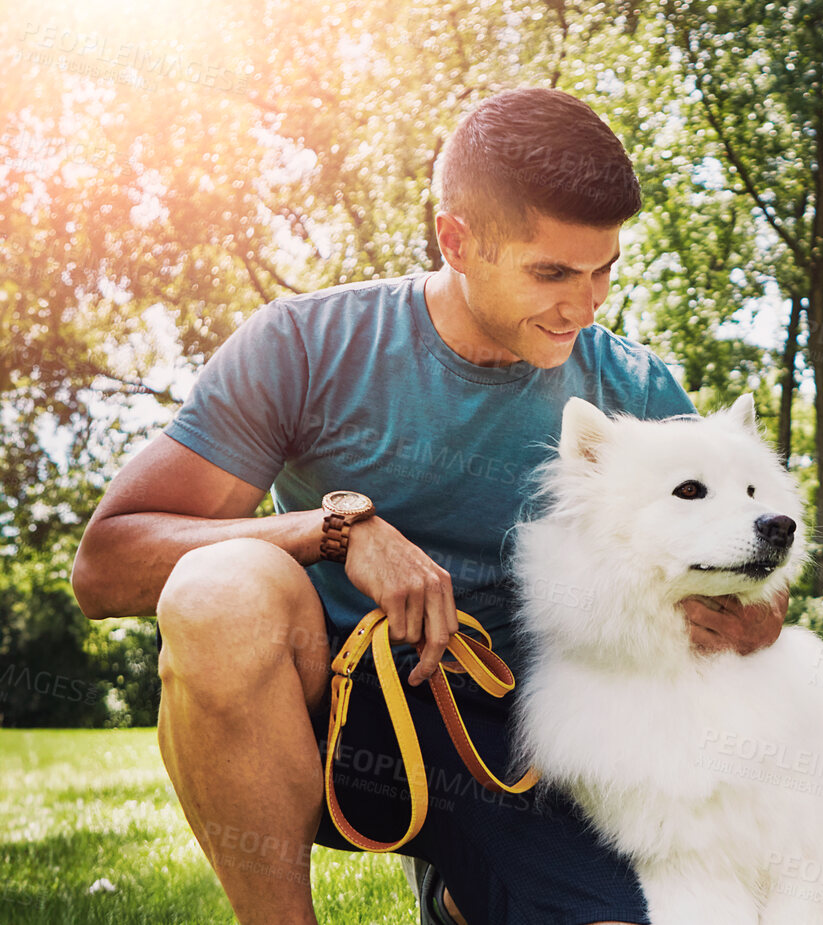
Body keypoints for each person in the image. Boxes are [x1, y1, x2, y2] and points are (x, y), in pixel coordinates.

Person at [68, 87, 785, 925]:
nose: (585, 306)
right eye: (551, 272)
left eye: (604, 270)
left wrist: (752, 616)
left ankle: (462, 889)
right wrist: (335, 529)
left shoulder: (636, 387)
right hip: (337, 718)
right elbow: (106, 566)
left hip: (542, 743)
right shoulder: (304, 344)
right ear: (457, 239)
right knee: (218, 589)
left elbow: (734, 568)